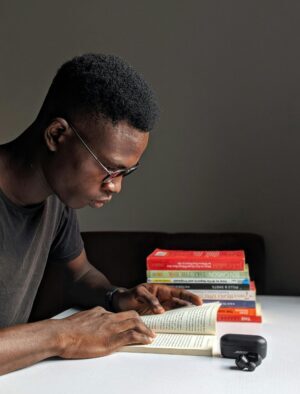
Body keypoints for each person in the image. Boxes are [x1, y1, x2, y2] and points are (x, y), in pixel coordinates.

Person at [0, 54, 202, 375]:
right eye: (110, 169)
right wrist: (61, 335)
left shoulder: (55, 201)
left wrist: (119, 297)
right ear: (56, 135)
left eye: (126, 173)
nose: (115, 187)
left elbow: (79, 276)